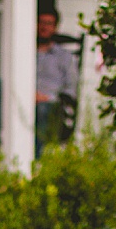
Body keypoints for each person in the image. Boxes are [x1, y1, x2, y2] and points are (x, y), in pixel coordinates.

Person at [35, 9, 77, 157]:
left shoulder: (64, 57)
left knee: (42, 110)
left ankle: (37, 160)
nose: (43, 27)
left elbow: (71, 90)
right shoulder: (23, 51)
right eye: (40, 22)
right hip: (23, 100)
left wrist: (48, 98)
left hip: (51, 105)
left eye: (49, 23)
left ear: (55, 27)